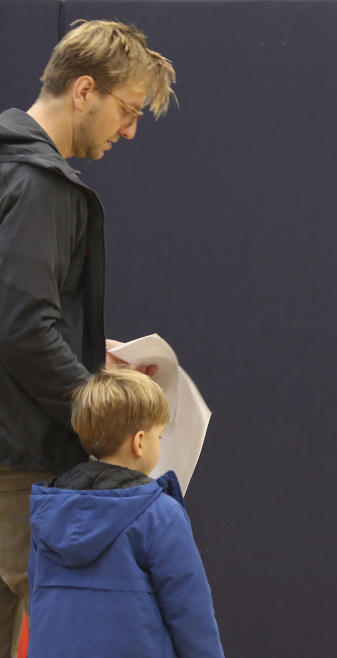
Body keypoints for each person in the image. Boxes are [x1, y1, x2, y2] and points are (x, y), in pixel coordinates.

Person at [0, 19, 174, 655]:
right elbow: (20, 328)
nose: (127, 131)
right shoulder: (43, 184)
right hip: (18, 463)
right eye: (126, 111)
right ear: (83, 90)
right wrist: (99, 405)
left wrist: (82, 351)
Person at [27, 368, 224, 657]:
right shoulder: (160, 513)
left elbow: (38, 595)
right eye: (160, 436)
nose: (159, 444)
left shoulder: (48, 510)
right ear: (140, 442)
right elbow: (190, 612)